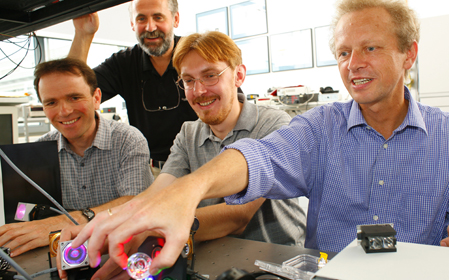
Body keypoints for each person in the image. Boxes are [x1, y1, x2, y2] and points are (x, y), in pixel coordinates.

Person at [69, 0, 449, 279]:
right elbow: (258, 158)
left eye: (370, 48)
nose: (353, 64)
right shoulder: (321, 128)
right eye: (342, 52)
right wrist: (187, 193)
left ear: (408, 53)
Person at [57, 31, 305, 280]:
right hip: (216, 260)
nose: (199, 91)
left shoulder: (273, 124)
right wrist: (102, 224)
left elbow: (238, 215)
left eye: (210, 76)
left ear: (238, 75)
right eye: (188, 80)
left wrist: (151, 227)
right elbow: (156, 194)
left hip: (277, 264)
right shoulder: (189, 133)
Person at [0, 58, 153, 257]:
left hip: (121, 251)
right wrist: (24, 217)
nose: (64, 111)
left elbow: (135, 203)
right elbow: (23, 214)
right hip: (65, 253)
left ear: (96, 98)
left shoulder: (128, 140)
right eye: (51, 102)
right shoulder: (38, 151)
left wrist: (65, 221)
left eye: (74, 97)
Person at [68, 0, 198, 177]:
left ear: (175, 19)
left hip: (199, 165)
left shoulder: (196, 54)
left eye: (158, 17)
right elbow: (72, 90)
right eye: (141, 19)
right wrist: (83, 34)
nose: (150, 27)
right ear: (132, 24)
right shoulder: (124, 63)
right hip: (152, 171)